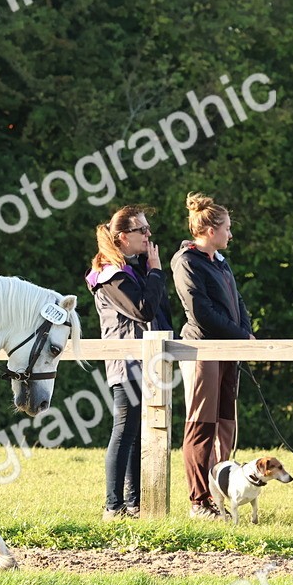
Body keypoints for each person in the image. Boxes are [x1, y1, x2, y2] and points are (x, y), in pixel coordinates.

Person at [85, 205, 173, 521]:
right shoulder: (111, 275)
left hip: (146, 361)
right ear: (123, 237)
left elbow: (160, 308)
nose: (149, 235)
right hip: (127, 363)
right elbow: (143, 309)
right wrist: (156, 270)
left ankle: (134, 503)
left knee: (136, 432)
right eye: (142, 231)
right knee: (123, 432)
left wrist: (151, 272)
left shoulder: (130, 269)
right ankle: (113, 506)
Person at [171, 193, 255, 519]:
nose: (230, 235)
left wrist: (245, 334)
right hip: (202, 352)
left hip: (228, 351)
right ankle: (199, 500)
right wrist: (240, 335)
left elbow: (238, 302)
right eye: (227, 229)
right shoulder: (187, 261)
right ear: (209, 230)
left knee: (225, 425)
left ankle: (219, 497)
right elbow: (200, 311)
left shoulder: (219, 261)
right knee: (201, 427)